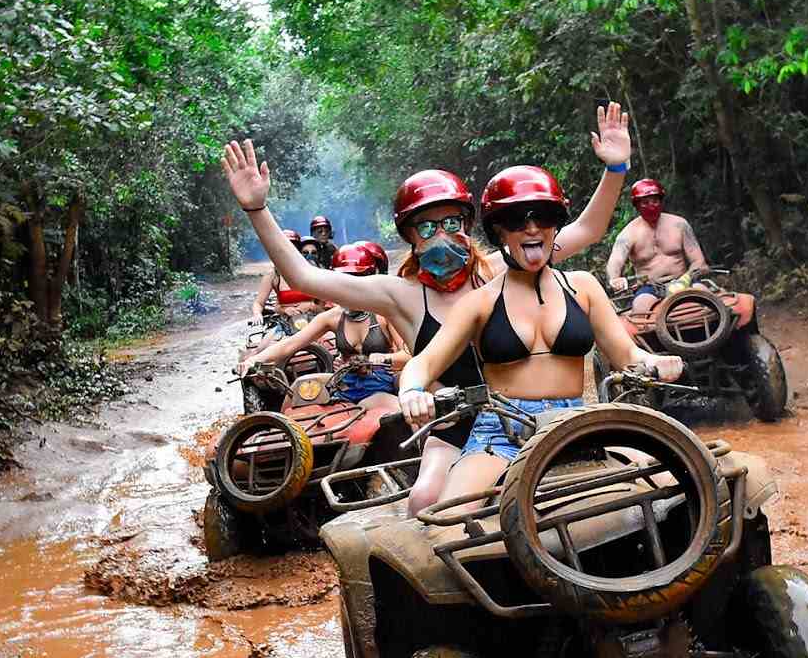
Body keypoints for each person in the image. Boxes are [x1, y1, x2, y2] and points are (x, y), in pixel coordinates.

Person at [221, 103, 636, 512]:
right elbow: (306, 279)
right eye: (427, 227)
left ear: (469, 227)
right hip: (451, 423)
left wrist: (614, 169)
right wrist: (256, 209)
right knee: (425, 500)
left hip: (529, 414)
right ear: (410, 236)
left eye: (452, 224)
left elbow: (587, 229)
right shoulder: (398, 294)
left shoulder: (499, 268)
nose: (441, 236)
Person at [397, 165, 684, 512]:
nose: (532, 228)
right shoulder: (479, 302)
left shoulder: (583, 286)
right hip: (501, 434)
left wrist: (656, 362)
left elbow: (627, 354)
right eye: (517, 219)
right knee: (449, 522)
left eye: (544, 217)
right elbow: (423, 364)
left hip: (575, 423)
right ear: (499, 230)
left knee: (676, 486)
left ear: (555, 225)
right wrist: (412, 392)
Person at [252, 242, 406, 409]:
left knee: (400, 411)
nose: (349, 287)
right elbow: (291, 343)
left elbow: (410, 355)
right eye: (344, 281)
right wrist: (254, 360)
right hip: (344, 385)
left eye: (355, 280)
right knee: (296, 395)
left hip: (380, 384)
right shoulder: (332, 317)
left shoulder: (385, 313)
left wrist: (383, 358)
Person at [605, 178, 709, 313]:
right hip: (650, 287)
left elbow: (699, 261)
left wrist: (685, 279)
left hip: (683, 280)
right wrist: (615, 279)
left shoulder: (679, 224)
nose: (651, 205)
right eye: (645, 202)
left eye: (655, 200)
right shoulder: (628, 233)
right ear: (637, 205)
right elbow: (615, 262)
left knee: (705, 294)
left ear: (661, 200)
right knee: (641, 307)